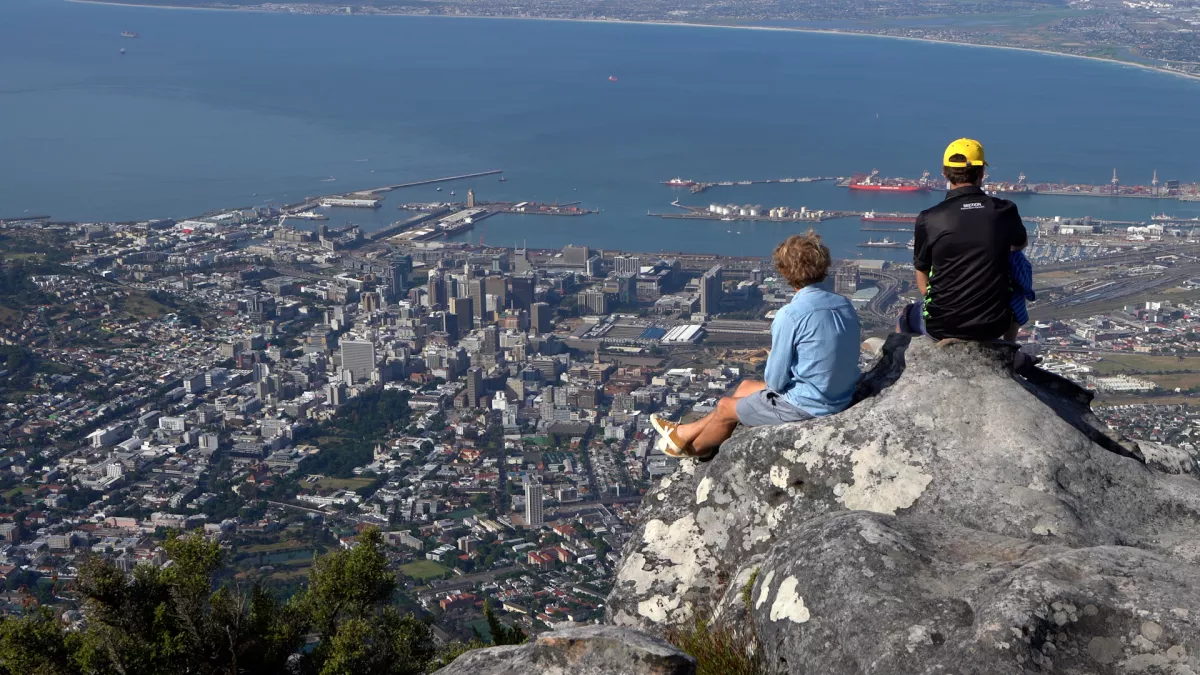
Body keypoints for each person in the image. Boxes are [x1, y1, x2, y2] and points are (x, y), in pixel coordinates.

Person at [649, 231, 861, 459]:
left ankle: (696, 450)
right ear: (824, 266)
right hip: (840, 394)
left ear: (784, 271)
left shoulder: (791, 315)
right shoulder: (844, 304)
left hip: (810, 404)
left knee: (724, 407)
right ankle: (682, 432)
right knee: (745, 387)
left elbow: (775, 382)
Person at [899, 138, 1029, 341]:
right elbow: (1020, 243)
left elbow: (921, 272)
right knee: (1018, 259)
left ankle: (897, 362)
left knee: (904, 315)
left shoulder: (929, 218)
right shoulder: (1004, 210)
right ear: (982, 173)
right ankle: (1010, 345)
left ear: (944, 173)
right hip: (994, 325)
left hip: (941, 326)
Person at [1004, 243, 1035, 341]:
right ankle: (1010, 346)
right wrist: (1030, 294)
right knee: (1013, 321)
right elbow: (1024, 282)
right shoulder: (1015, 256)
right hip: (1010, 302)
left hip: (985, 301)